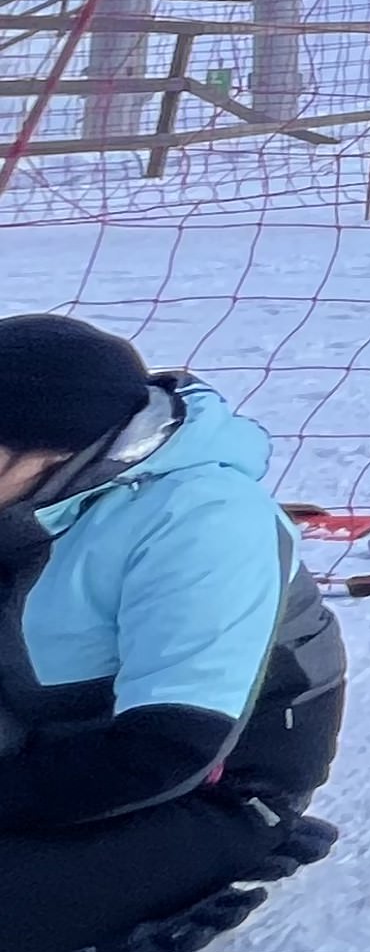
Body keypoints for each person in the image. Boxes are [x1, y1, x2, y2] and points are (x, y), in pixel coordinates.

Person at [0, 316, 345, 952]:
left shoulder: (203, 520)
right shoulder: (26, 496)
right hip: (41, 740)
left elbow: (170, 748)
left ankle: (217, 857)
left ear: (56, 446)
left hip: (202, 784)